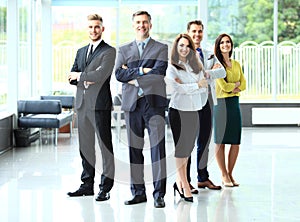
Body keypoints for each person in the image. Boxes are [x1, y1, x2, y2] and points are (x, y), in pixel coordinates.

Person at [115, 10, 168, 208]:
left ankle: (158, 194)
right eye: (138, 22)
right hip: (132, 105)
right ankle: (138, 193)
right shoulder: (123, 49)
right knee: (134, 150)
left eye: (145, 22)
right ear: (133, 25)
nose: (141, 25)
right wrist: (142, 70)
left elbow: (159, 73)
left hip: (154, 105)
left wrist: (133, 76)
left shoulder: (161, 48)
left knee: (158, 150)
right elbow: (118, 74)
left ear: (150, 25)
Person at [67, 14, 116, 201]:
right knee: (85, 147)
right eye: (90, 27)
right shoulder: (80, 51)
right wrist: (83, 78)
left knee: (105, 147)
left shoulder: (109, 51)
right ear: (87, 29)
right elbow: (72, 76)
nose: (93, 30)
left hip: (99, 106)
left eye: (97, 27)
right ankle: (87, 184)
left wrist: (81, 76)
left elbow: (101, 74)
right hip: (82, 105)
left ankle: (105, 187)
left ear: (102, 29)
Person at [165, 33, 208, 202]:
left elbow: (204, 87)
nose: (184, 48)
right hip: (178, 111)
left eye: (187, 46)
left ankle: (178, 182)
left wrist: (188, 86)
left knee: (188, 149)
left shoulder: (195, 65)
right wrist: (195, 85)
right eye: (181, 45)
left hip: (194, 109)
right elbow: (175, 88)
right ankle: (185, 185)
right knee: (181, 150)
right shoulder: (172, 67)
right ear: (176, 47)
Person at [186, 20, 226, 192]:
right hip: (190, 103)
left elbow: (222, 71)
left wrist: (207, 73)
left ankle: (202, 178)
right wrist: (208, 73)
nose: (197, 35)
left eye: (200, 31)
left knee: (204, 141)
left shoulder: (209, 52)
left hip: (208, 101)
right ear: (188, 32)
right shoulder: (182, 53)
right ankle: (184, 181)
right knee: (187, 143)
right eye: (194, 31)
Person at [213, 33, 246, 187]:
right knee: (220, 141)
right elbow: (224, 87)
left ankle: (230, 173)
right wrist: (235, 86)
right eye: (222, 43)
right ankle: (223, 174)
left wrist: (233, 87)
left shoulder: (237, 64)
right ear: (218, 46)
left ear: (231, 45)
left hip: (234, 104)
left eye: (228, 42)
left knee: (235, 141)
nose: (225, 45)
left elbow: (244, 85)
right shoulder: (217, 66)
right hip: (221, 104)